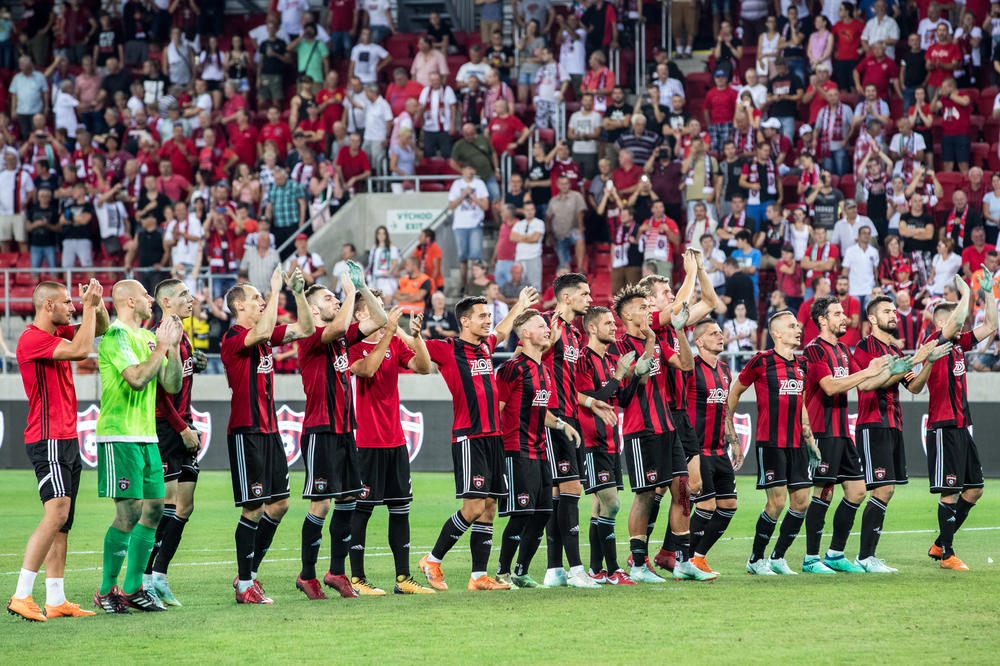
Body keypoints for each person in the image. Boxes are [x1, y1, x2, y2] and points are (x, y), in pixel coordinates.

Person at [417, 286, 540, 592]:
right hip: (469, 436)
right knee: (472, 508)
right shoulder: (448, 348)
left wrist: (519, 305)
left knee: (489, 507)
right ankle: (432, 559)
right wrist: (409, 333)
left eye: (488, 315)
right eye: (482, 316)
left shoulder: (485, 347)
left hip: (494, 437)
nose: (488, 320)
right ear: (465, 321)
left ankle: (478, 577)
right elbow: (413, 346)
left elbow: (502, 330)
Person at [7, 281, 108, 621]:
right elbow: (82, 350)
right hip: (47, 437)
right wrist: (89, 307)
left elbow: (100, 329)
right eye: (66, 302)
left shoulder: (58, 331)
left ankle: (56, 599)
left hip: (65, 437)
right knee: (56, 514)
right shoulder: (32, 339)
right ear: (47, 305)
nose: (72, 307)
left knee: (63, 524)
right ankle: (21, 595)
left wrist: (97, 302)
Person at [222, 267, 316, 604]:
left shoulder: (263, 339)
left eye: (263, 298)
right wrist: (275, 289)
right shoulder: (233, 338)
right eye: (256, 298)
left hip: (270, 430)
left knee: (279, 505)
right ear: (239, 306)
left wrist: (298, 293)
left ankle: (248, 574)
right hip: (246, 431)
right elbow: (262, 331)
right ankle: (245, 585)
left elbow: (305, 329)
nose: (262, 302)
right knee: (253, 508)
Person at [292, 271, 386, 599]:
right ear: (313, 309)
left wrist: (361, 289)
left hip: (346, 429)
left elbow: (380, 319)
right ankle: (307, 576)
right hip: (321, 430)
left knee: (348, 500)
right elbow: (336, 328)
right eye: (328, 298)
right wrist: (347, 292)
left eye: (336, 297)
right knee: (321, 504)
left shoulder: (342, 340)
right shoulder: (310, 334)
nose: (335, 301)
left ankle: (336, 572)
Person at [608, 283, 709, 581]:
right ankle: (638, 565)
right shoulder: (618, 347)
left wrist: (679, 332)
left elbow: (687, 366)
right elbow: (622, 391)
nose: (648, 311)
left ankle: (683, 561)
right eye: (642, 308)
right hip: (641, 431)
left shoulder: (660, 342)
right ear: (628, 316)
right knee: (645, 496)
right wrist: (642, 358)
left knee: (683, 490)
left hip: (668, 428)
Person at [93, 281, 183, 613]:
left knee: (155, 509)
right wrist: (162, 347)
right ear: (130, 301)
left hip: (147, 436)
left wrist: (172, 348)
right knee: (129, 511)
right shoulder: (115, 336)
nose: (150, 300)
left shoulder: (148, 338)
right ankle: (106, 590)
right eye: (146, 295)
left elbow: (171, 384)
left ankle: (132, 589)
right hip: (119, 434)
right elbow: (136, 378)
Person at [348, 289, 435, 594]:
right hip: (365, 441)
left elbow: (424, 368)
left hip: (395, 440)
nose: (383, 313)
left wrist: (416, 337)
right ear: (361, 315)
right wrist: (389, 333)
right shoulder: (352, 344)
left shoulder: (395, 342)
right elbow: (367, 370)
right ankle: (357, 579)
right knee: (362, 510)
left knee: (400, 510)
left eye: (383, 307)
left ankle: (403, 579)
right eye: (377, 308)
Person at [853, 296, 949, 572]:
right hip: (873, 423)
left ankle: (867, 556)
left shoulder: (894, 350)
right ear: (872, 319)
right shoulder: (865, 347)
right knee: (882, 489)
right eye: (887, 311)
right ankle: (864, 557)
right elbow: (868, 384)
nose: (893, 314)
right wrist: (913, 359)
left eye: (894, 311)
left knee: (888, 490)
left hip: (894, 424)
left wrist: (927, 362)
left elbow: (915, 387)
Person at [494, 311, 588, 588]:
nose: (547, 329)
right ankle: (502, 573)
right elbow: (498, 409)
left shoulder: (545, 371)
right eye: (540, 326)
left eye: (547, 326)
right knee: (521, 514)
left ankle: (521, 572)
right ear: (525, 333)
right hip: (516, 450)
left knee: (543, 512)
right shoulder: (511, 368)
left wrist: (561, 425)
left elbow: (540, 411)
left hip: (540, 451)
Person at [800, 296, 892, 575]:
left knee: (857, 491)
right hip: (822, 431)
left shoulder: (842, 349)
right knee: (823, 493)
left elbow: (864, 384)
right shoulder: (814, 350)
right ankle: (811, 559)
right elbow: (830, 387)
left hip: (841, 432)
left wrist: (894, 371)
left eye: (844, 313)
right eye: (838, 314)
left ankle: (835, 554)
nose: (845, 318)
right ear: (822, 320)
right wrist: (867, 371)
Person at [725, 311, 820, 575]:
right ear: (776, 333)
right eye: (792, 326)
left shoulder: (802, 364)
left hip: (797, 444)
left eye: (798, 325)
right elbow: (735, 391)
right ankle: (756, 560)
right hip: (771, 443)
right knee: (776, 504)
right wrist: (729, 428)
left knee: (801, 502)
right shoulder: (761, 361)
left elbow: (801, 404)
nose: (798, 330)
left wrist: (810, 439)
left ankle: (778, 558)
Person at [643, 255, 720, 576]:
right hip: (659, 414)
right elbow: (677, 308)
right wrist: (689, 274)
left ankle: (668, 552)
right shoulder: (650, 321)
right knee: (655, 490)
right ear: (649, 301)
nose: (672, 295)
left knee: (688, 486)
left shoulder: (676, 325)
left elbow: (711, 302)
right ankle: (640, 556)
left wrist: (700, 270)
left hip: (680, 414)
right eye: (666, 291)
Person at [139, 280, 206, 608]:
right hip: (166, 428)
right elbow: (160, 396)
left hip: (184, 424)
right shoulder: (158, 338)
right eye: (183, 295)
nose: (190, 299)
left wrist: (196, 362)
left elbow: (180, 381)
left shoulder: (183, 336)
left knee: (185, 505)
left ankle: (160, 575)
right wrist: (182, 429)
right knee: (163, 504)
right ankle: (143, 578)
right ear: (165, 302)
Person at [923, 276, 996, 570]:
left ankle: (940, 543)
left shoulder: (957, 344)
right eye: (958, 318)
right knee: (950, 491)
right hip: (943, 426)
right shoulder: (935, 342)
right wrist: (966, 293)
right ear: (944, 322)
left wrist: (988, 293)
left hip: (962, 426)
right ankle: (947, 555)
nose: (963, 323)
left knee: (975, 488)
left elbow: (990, 325)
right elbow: (956, 321)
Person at [529, 274, 593, 588]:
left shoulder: (575, 334)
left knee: (559, 494)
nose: (590, 299)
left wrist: (592, 402)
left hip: (571, 415)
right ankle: (577, 569)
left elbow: (570, 381)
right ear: (566, 297)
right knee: (570, 490)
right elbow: (524, 361)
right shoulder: (545, 325)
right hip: (553, 417)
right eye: (584, 293)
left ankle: (555, 569)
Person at [576, 306, 638, 585]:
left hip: (612, 442)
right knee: (611, 504)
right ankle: (613, 570)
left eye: (614, 323)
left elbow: (620, 399)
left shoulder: (611, 360)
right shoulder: (583, 360)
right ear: (592, 328)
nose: (614, 327)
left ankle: (595, 570)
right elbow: (593, 399)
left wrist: (635, 376)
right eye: (608, 323)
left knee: (600, 507)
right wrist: (618, 375)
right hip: (593, 442)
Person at [686, 318, 739, 575]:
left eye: (720, 332)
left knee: (728, 506)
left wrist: (734, 441)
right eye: (713, 333)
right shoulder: (690, 369)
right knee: (705, 506)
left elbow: (725, 409)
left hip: (719, 450)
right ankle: (684, 560)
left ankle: (698, 558)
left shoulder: (725, 370)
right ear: (699, 341)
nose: (720, 336)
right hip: (697, 451)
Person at [448, 163, 490, 289]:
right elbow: (451, 206)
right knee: (462, 258)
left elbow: (485, 206)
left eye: (472, 169)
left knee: (475, 258)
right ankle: (463, 286)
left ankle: (474, 285)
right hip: (460, 225)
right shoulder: (457, 184)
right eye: (468, 168)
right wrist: (463, 195)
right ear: (463, 170)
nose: (470, 171)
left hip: (475, 224)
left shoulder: (479, 184)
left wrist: (472, 196)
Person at [841, 226, 880, 309]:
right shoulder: (850, 251)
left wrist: (876, 286)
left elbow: (875, 271)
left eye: (868, 233)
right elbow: (845, 271)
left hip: (869, 290)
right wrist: (845, 287)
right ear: (859, 235)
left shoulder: (874, 251)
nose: (866, 235)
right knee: (855, 316)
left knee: (869, 315)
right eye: (864, 233)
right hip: (854, 290)